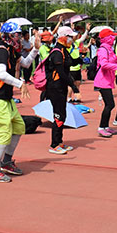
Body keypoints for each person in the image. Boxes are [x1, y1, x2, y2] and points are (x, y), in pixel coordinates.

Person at [0, 21, 39, 183]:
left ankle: (6, 161)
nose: (19, 38)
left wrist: (35, 49)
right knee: (3, 133)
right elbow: (0, 74)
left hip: (5, 97)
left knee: (18, 127)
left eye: (20, 34)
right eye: (17, 34)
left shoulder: (12, 50)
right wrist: (20, 84)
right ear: (8, 36)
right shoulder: (2, 50)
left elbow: (26, 63)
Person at [45, 26, 81, 154]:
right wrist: (74, 86)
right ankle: (54, 145)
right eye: (70, 36)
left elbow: (70, 63)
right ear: (63, 37)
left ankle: (59, 142)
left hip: (61, 87)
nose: (72, 39)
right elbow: (61, 73)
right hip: (55, 88)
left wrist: (81, 57)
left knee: (62, 115)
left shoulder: (64, 50)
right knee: (59, 115)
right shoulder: (56, 52)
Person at [93, 28, 117, 137]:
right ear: (107, 38)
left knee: (109, 104)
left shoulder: (109, 49)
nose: (114, 38)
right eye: (112, 36)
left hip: (108, 81)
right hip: (102, 81)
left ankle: (105, 126)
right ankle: (102, 127)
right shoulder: (102, 50)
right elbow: (104, 64)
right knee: (110, 104)